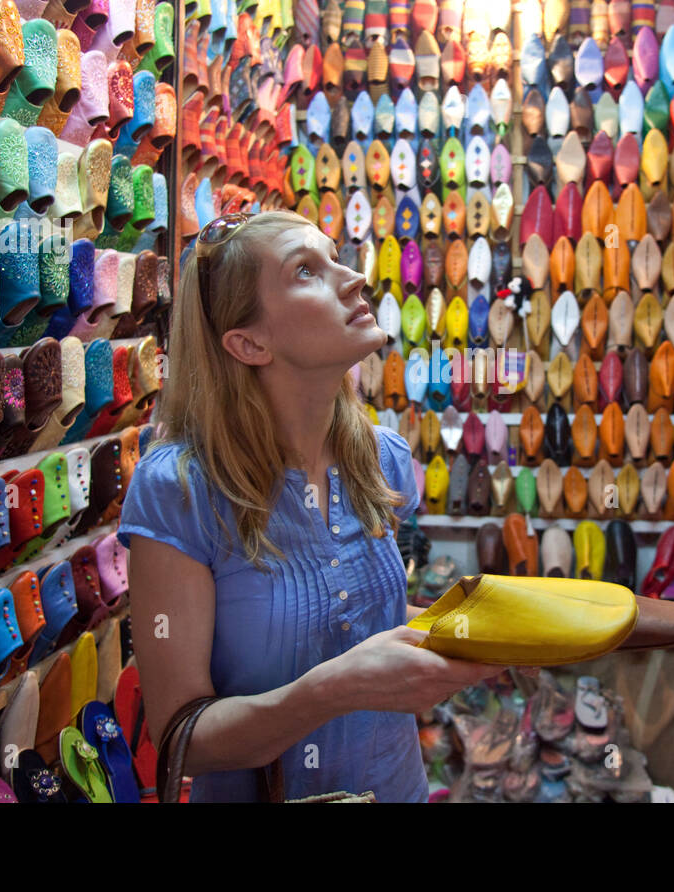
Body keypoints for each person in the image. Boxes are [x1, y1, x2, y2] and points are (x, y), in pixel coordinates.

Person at [119, 210, 500, 802]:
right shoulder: (181, 489)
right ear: (249, 343)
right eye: (306, 271)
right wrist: (336, 688)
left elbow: (358, 619)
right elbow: (181, 739)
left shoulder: (381, 460)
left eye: (335, 257)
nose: (352, 278)